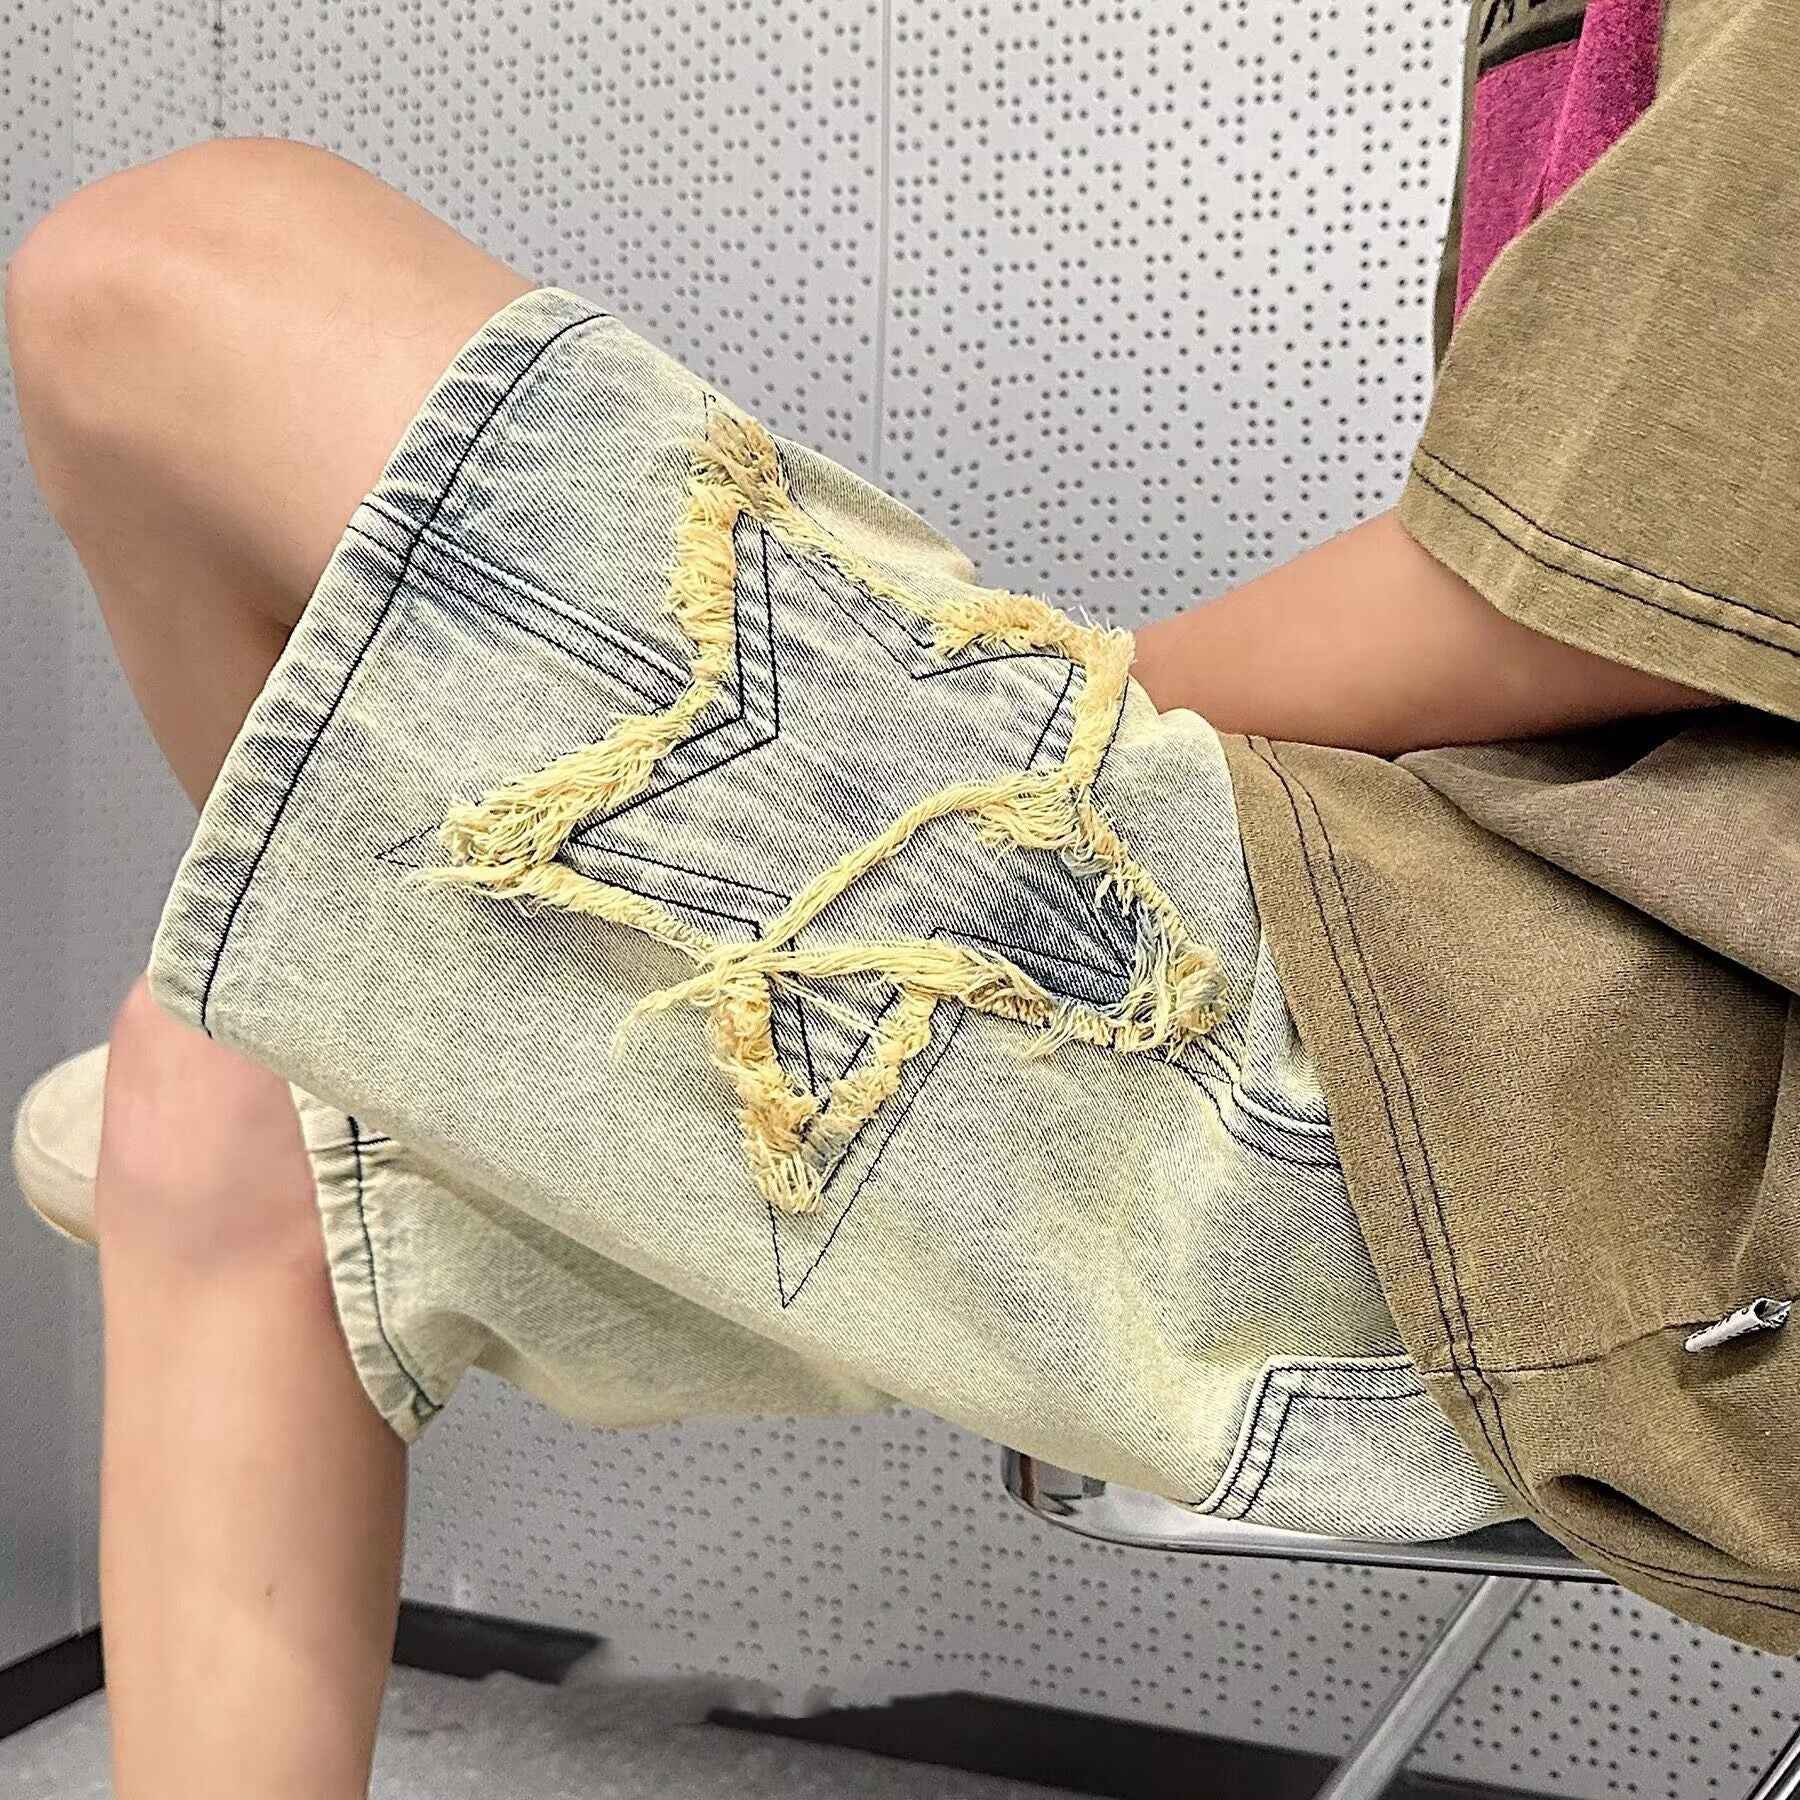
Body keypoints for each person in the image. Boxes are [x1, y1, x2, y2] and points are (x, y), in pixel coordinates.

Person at [12, 1, 1795, 1790]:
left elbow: (1583, 588)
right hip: (1477, 1004)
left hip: (1604, 1134)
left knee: (152, 283)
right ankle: (395, 969)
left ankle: (420, 956)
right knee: (210, 1093)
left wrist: (1021, 722)